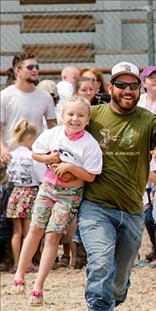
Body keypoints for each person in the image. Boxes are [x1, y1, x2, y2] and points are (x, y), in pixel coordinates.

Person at [77, 61, 156, 310]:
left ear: (140, 88)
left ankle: (114, 295)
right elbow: (63, 133)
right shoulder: (93, 116)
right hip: (96, 206)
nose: (127, 90)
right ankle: (98, 305)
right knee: (100, 261)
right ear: (110, 87)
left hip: (132, 210)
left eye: (133, 85)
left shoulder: (148, 121)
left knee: (118, 280)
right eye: (121, 85)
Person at [11, 96, 103, 307]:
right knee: (35, 229)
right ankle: (19, 274)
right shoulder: (53, 134)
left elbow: (90, 175)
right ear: (62, 116)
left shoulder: (89, 144)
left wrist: (69, 167)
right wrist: (49, 159)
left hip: (69, 195)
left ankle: (39, 286)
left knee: (53, 236)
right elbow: (36, 154)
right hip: (48, 189)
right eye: (70, 114)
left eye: (80, 115)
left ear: (88, 120)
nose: (74, 119)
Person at [1, 52, 57, 168]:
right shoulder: (4, 96)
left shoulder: (46, 97)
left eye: (37, 67)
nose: (35, 70)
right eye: (30, 67)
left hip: (37, 158)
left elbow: (53, 128)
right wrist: (2, 149)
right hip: (10, 158)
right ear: (17, 71)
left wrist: (51, 153)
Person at [6, 120, 46, 273]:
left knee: (17, 232)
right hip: (30, 193)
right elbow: (41, 176)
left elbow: (8, 176)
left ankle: (17, 263)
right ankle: (27, 263)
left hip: (15, 193)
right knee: (29, 233)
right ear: (30, 136)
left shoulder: (11, 155)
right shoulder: (34, 156)